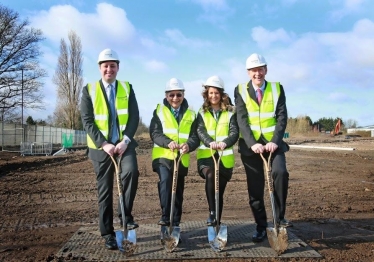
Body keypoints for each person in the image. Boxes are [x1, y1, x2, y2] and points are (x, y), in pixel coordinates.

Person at [80, 48, 140, 250]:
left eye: (112, 65)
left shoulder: (127, 88)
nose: (109, 69)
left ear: (118, 67)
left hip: (124, 145)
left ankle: (125, 215)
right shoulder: (88, 90)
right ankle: (107, 233)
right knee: (104, 191)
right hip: (101, 149)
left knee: (131, 172)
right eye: (105, 65)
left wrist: (125, 141)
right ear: (99, 68)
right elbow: (87, 121)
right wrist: (104, 143)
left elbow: (133, 117)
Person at [234, 53, 291, 243]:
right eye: (253, 70)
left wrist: (275, 140)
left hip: (273, 144)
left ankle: (279, 218)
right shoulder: (240, 90)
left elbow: (282, 116)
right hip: (251, 148)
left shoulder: (277, 88)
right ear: (248, 72)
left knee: (280, 173)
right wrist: (252, 143)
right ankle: (261, 226)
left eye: (260, 69)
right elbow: (241, 119)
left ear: (266, 70)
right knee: (255, 189)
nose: (257, 73)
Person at [149, 78, 199, 233]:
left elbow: (195, 136)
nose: (175, 98)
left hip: (181, 159)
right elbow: (155, 133)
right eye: (171, 95)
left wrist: (189, 145)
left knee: (178, 191)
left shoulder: (192, 114)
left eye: (178, 94)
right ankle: (166, 217)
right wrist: (168, 142)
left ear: (183, 95)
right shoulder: (159, 111)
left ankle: (175, 223)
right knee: (166, 181)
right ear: (166, 95)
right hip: (163, 156)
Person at [196, 76, 239, 226]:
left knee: (219, 189)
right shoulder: (201, 112)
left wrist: (224, 143)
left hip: (224, 158)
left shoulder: (230, 112)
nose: (213, 96)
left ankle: (217, 221)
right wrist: (210, 142)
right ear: (206, 94)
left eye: (216, 93)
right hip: (206, 156)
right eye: (210, 93)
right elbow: (200, 131)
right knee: (211, 176)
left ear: (221, 94)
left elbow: (234, 132)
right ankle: (212, 213)